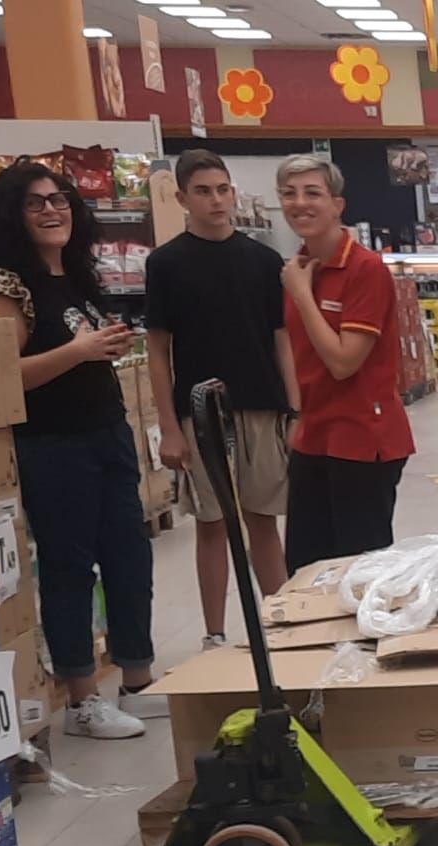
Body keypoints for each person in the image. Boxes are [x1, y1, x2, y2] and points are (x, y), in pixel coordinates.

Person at [0, 162, 163, 740]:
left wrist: (104, 346)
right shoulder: (7, 285)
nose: (51, 210)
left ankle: (137, 679)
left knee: (129, 557)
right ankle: (82, 700)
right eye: (35, 202)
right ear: (12, 215)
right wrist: (79, 351)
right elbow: (4, 376)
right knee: (69, 567)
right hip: (53, 444)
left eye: (59, 199)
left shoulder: (76, 274)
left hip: (106, 431)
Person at [146, 148, 297, 650]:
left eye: (223, 189)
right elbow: (158, 350)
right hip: (200, 414)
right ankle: (213, 634)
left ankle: (280, 623)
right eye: (203, 191)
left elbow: (281, 341)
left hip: (261, 406)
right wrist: (170, 427)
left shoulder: (264, 261)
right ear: (182, 198)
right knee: (210, 524)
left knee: (263, 520)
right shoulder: (165, 264)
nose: (216, 200)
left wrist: (295, 410)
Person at [276, 155, 414, 575]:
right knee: (306, 569)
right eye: (289, 194)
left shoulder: (364, 269)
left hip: (362, 437)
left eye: (312, 193)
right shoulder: (300, 267)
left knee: (359, 572)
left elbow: (343, 362)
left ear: (337, 204)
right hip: (314, 435)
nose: (300, 203)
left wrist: (302, 295)